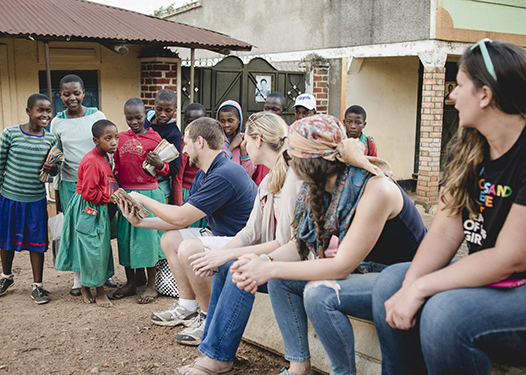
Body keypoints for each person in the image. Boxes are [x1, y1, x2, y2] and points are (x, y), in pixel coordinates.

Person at [372, 39, 526, 375]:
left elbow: (510, 257)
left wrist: (422, 288)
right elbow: (443, 231)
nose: (452, 95)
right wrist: (411, 283)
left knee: (446, 313)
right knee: (392, 282)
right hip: (497, 283)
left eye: (460, 85)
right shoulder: (469, 150)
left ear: (485, 95)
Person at [231, 114, 426, 375]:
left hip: (402, 276)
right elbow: (299, 246)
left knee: (319, 294)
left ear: (310, 161)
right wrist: (264, 263)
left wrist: (269, 269)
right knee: (280, 280)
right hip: (367, 271)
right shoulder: (318, 187)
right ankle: (298, 367)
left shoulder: (376, 189)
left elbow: (341, 266)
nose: (286, 162)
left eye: (291, 157)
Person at [175, 112, 301, 374]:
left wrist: (226, 256)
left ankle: (219, 357)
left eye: (247, 139)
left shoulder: (292, 180)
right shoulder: (268, 180)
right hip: (275, 258)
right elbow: (249, 232)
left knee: (237, 267)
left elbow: (284, 243)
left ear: (258, 140)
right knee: (226, 264)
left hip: (296, 263)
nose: (242, 144)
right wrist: (220, 253)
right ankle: (212, 351)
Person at [117, 117, 256, 345]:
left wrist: (141, 198)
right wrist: (140, 222)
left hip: (244, 243)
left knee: (190, 248)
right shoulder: (206, 172)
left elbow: (181, 217)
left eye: (186, 143)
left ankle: (208, 317)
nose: (183, 149)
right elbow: (180, 221)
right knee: (171, 239)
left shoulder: (225, 173)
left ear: (200, 142)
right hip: (223, 236)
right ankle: (187, 306)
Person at [0, 93, 57, 305]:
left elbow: (55, 171)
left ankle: (38, 286)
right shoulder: (10, 134)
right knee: (6, 241)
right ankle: (6, 277)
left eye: (48, 111)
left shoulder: (51, 139)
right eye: (40, 110)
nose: (45, 115)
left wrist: (52, 168)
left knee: (37, 244)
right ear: (29, 112)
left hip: (35, 200)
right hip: (9, 198)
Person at [50, 74, 115, 297]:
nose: (72, 98)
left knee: (100, 229)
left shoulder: (96, 116)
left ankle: (103, 275)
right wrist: (56, 190)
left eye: (76, 93)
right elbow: (56, 155)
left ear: (83, 93)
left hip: (98, 185)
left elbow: (108, 147)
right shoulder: (57, 122)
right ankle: (79, 279)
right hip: (72, 186)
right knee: (79, 231)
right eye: (66, 94)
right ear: (60, 95)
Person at [110, 98, 170, 304]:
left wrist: (160, 164)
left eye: (138, 117)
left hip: (149, 193)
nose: (134, 122)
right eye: (129, 118)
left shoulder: (155, 138)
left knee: (149, 241)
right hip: (126, 192)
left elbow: (166, 169)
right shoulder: (120, 138)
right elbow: (116, 164)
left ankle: (151, 285)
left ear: (146, 115)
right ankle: (131, 282)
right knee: (126, 239)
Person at [55, 119, 119, 308]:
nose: (114, 142)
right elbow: (89, 193)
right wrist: (110, 197)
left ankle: (87, 285)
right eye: (108, 138)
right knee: (93, 248)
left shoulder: (105, 156)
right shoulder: (92, 161)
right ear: (95, 140)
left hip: (97, 206)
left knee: (98, 246)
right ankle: (97, 291)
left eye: (116, 137)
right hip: (88, 208)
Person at [144, 89, 182, 203]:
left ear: (175, 108)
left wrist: (160, 165)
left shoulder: (174, 134)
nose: (162, 114)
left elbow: (175, 168)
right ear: (154, 106)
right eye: (159, 109)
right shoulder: (144, 120)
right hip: (138, 184)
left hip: (160, 187)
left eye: (168, 110)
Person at [173, 103, 207, 208]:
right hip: (188, 194)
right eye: (189, 122)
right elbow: (177, 179)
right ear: (184, 122)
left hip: (206, 193)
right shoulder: (184, 147)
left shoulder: (209, 144)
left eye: (198, 123)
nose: (194, 127)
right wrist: (180, 207)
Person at [252, 92, 288, 186]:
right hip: (257, 188)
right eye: (266, 109)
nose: (269, 113)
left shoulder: (289, 134)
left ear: (283, 110)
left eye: (275, 109)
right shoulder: (255, 132)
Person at [217, 100, 254, 178]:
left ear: (239, 120)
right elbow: (215, 165)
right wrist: (231, 146)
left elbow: (249, 173)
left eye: (230, 121)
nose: (226, 125)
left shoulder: (246, 141)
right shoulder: (215, 140)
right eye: (222, 121)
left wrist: (243, 151)